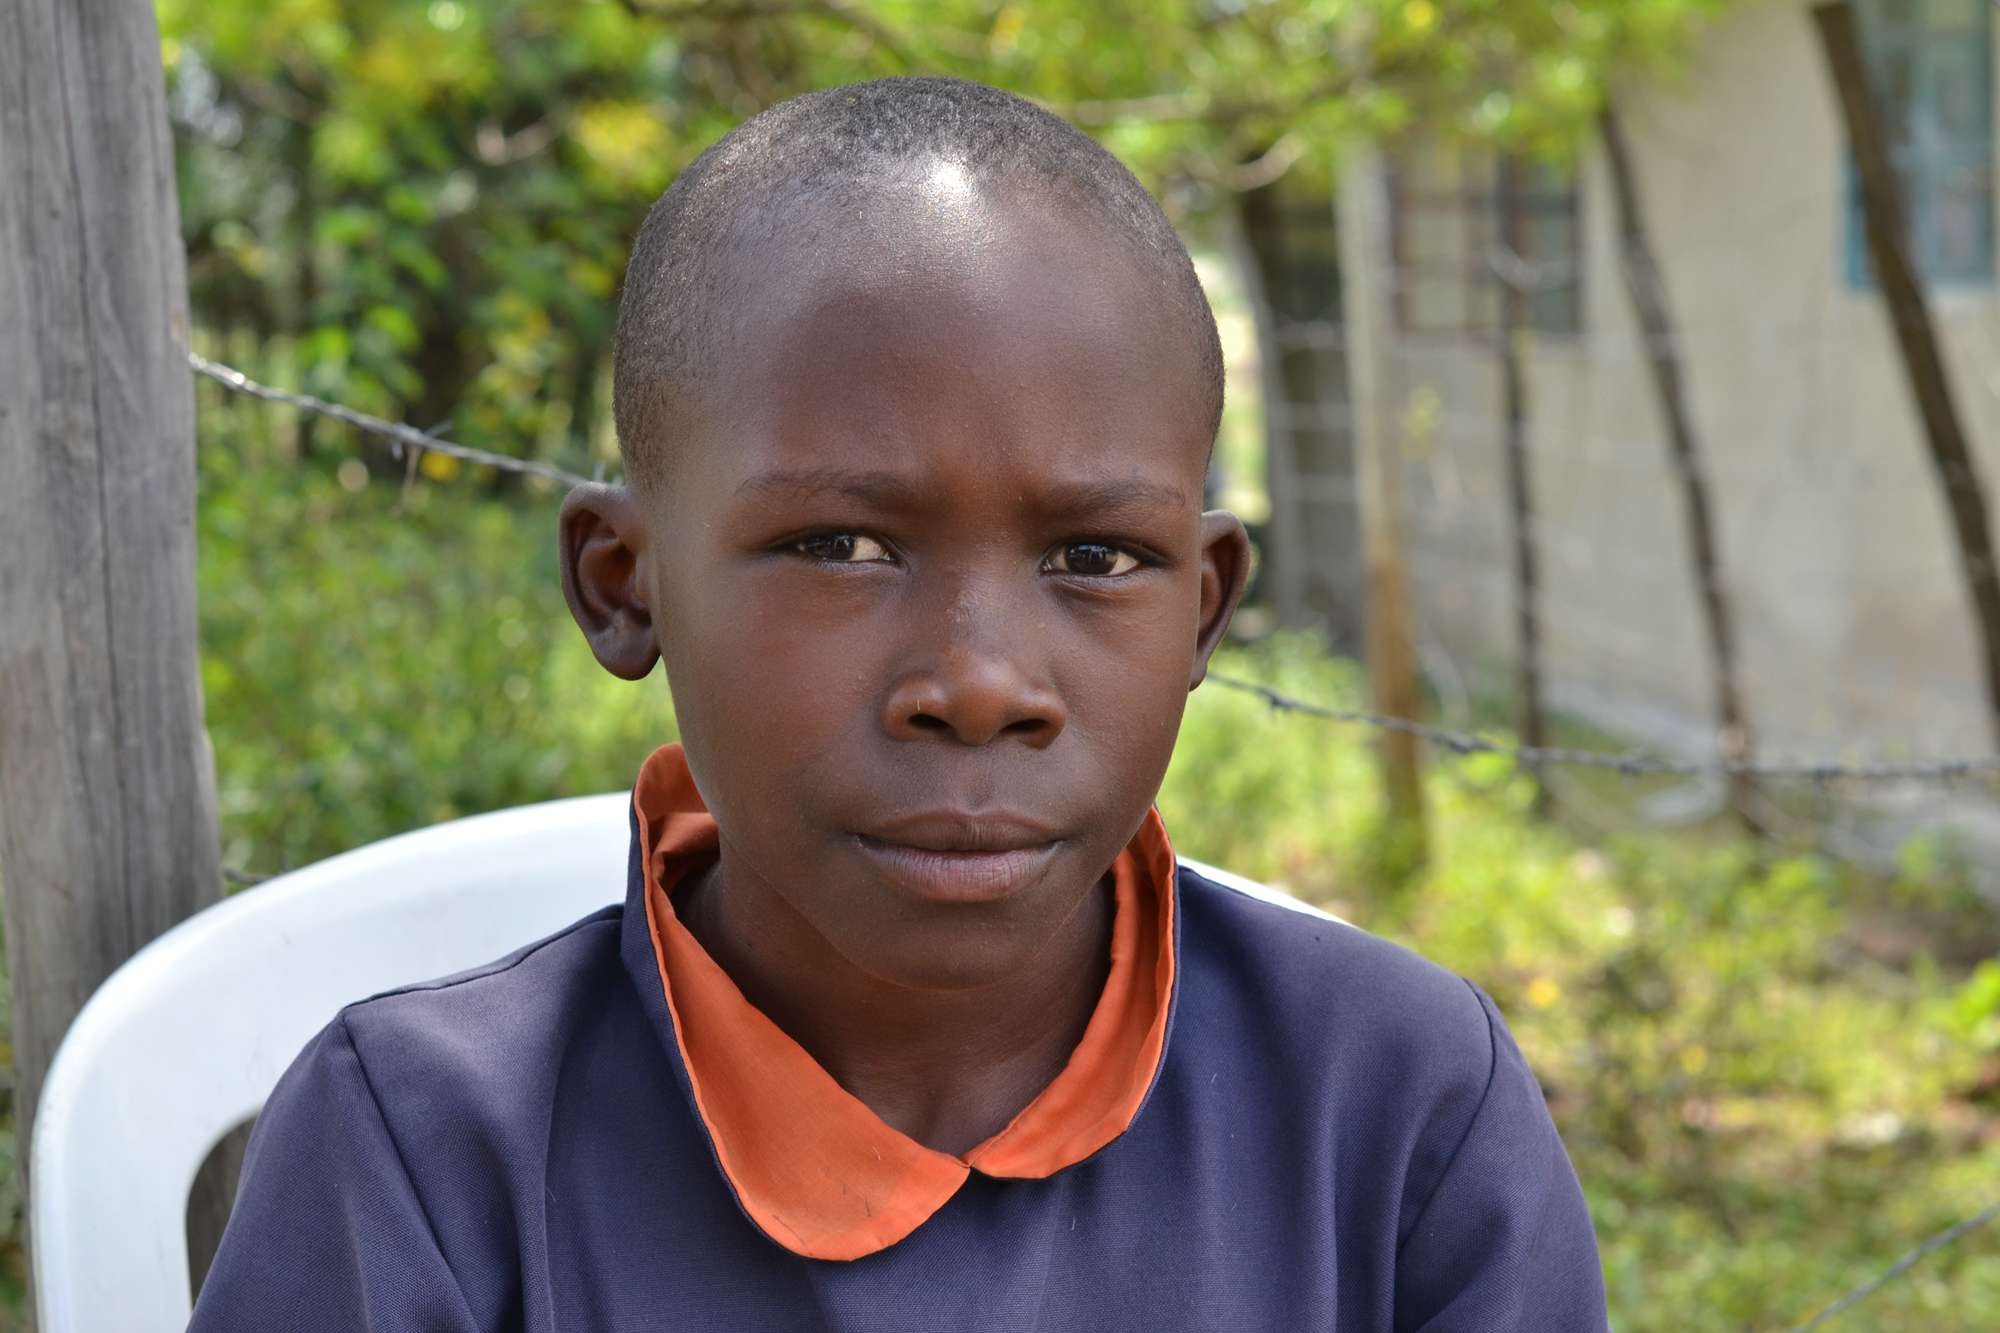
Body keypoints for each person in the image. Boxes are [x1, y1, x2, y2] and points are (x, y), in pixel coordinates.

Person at [189, 77, 1608, 1331]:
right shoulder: (427, 1158)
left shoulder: (1399, 1114)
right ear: (624, 585)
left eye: (1094, 558)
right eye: (841, 546)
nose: (979, 684)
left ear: (1204, 607)